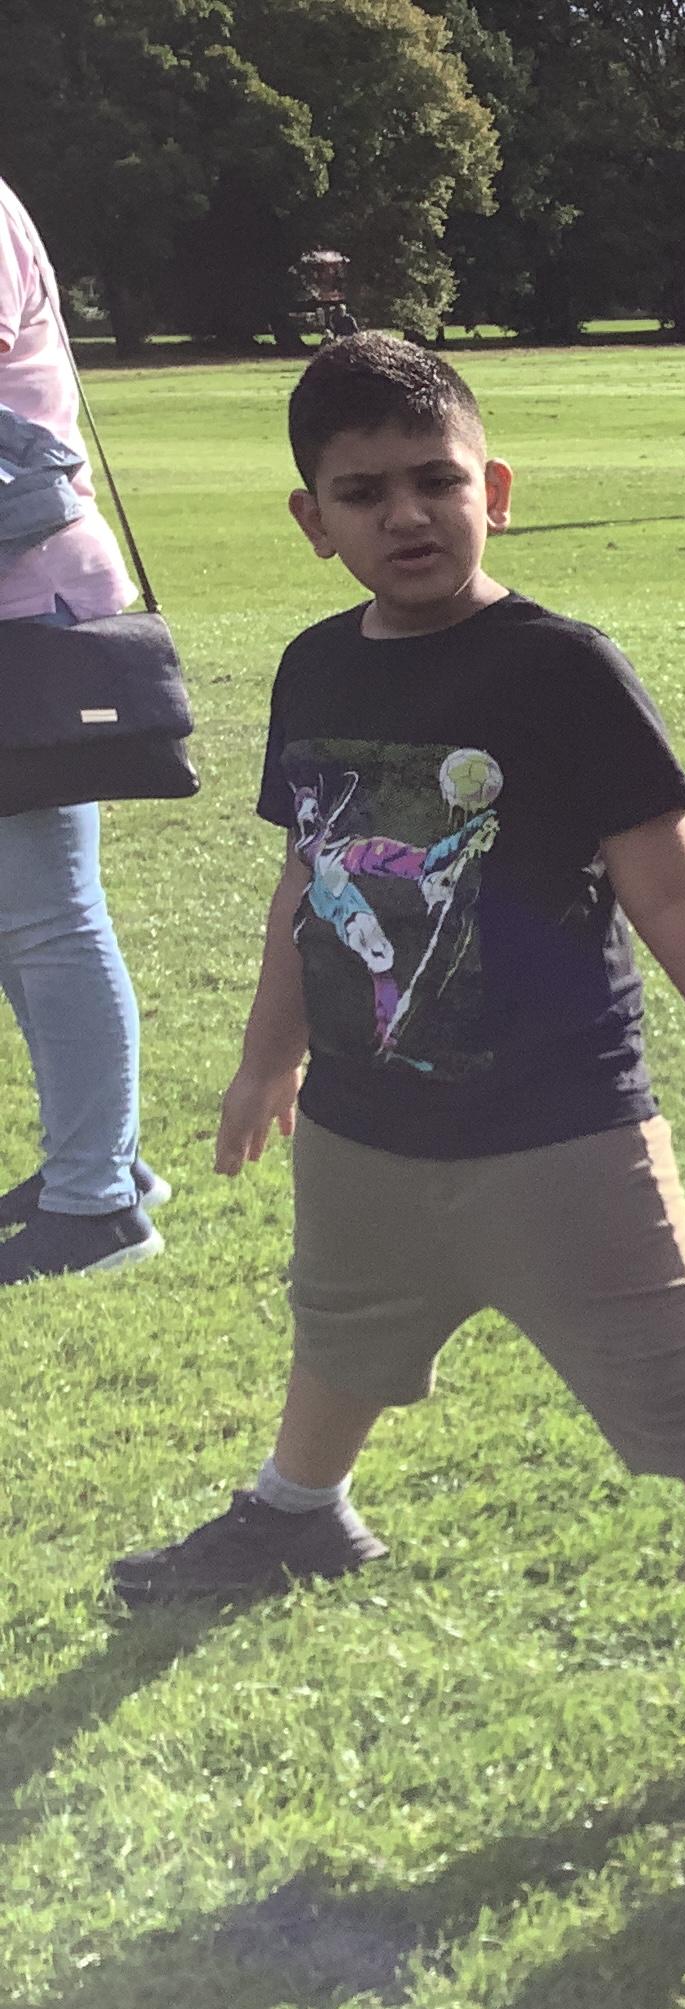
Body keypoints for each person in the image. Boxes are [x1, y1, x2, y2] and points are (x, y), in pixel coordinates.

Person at [107, 337, 685, 1803]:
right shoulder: (315, 666)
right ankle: (299, 1512)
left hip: (559, 1129)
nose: (407, 515)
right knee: (342, 1323)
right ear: (313, 520)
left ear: (497, 490)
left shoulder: (557, 669)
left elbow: (674, 898)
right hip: (365, 1114)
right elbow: (309, 880)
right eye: (365, 493)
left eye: (437, 481)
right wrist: (267, 1060)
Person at [0, 172, 166, 1287]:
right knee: (24, 914)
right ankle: (101, 1157)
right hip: (27, 594)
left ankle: (98, 1202)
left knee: (46, 912)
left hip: (25, 602)